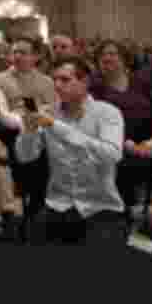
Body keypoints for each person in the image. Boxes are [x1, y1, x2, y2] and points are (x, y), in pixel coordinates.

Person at [16, 56, 128, 245]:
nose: (58, 86)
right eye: (55, 80)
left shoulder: (107, 113)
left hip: (100, 207)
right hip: (57, 204)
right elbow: (26, 156)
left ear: (85, 82)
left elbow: (112, 155)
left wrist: (56, 127)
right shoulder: (48, 112)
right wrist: (29, 129)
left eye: (65, 80)